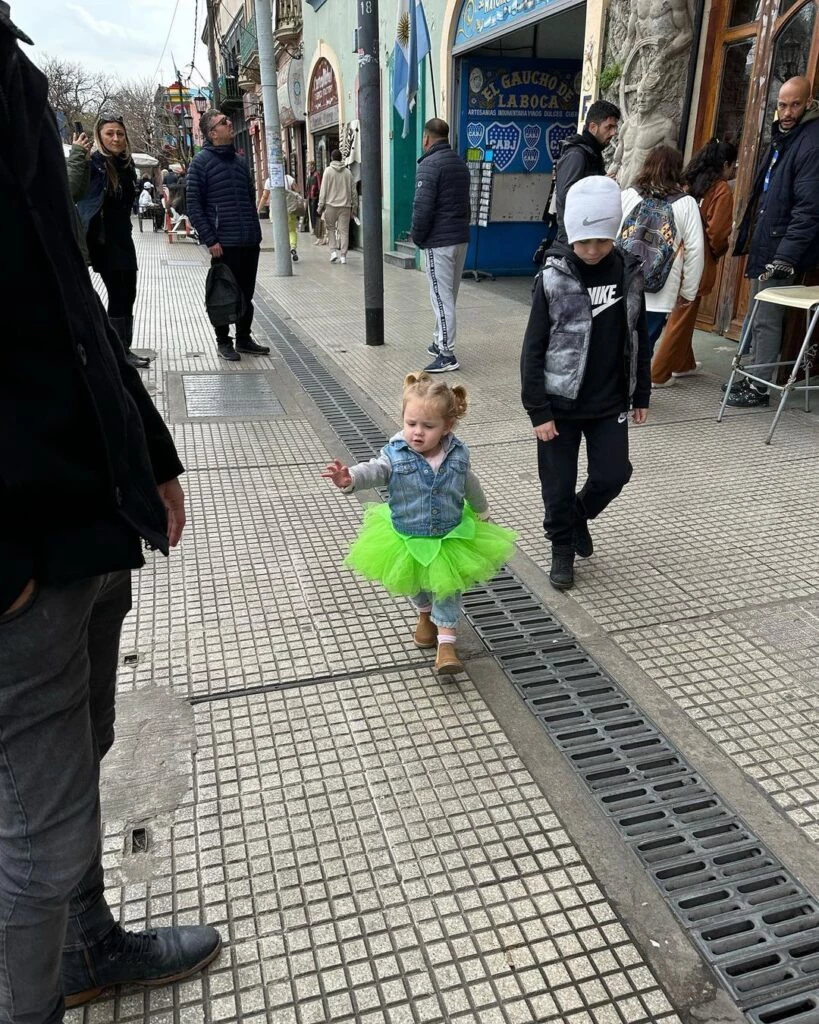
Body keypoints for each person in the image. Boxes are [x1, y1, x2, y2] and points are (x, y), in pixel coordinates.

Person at [0, 5, 222, 1019]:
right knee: (30, 839)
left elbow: (65, 297)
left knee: (79, 760)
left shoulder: (8, 70)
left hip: (87, 506)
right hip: (21, 541)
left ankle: (87, 943)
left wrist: (150, 449)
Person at [322, 373, 516, 675]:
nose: (417, 433)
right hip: (406, 535)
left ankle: (446, 646)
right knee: (413, 582)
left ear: (447, 427)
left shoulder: (458, 454)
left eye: (428, 426)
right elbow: (376, 469)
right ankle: (424, 614)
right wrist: (351, 479)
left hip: (448, 537)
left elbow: (469, 483)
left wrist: (482, 511)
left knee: (447, 588)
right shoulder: (395, 453)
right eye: (411, 423)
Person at [521, 176, 651, 592]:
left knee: (614, 474)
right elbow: (533, 347)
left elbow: (637, 335)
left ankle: (579, 516)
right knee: (556, 485)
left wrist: (641, 391)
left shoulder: (629, 271)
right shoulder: (554, 276)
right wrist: (537, 409)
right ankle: (562, 546)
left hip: (609, 399)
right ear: (571, 234)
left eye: (601, 239)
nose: (593, 249)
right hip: (558, 405)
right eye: (584, 241)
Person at [727, 76, 819, 408]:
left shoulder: (810, 141)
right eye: (782, 104)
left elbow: (809, 208)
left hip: (783, 249)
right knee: (757, 312)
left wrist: (785, 255)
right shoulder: (784, 137)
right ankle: (753, 373)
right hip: (769, 241)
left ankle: (759, 385)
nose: (787, 111)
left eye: (795, 104)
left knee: (767, 316)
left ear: (808, 103)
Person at [68, 112, 151, 370]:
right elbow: (72, 190)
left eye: (119, 133)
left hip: (123, 238)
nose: (115, 138)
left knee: (129, 294)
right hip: (103, 240)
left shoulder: (126, 165)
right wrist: (78, 155)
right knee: (119, 294)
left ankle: (123, 347)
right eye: (109, 134)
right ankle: (119, 352)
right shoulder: (94, 163)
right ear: (99, 137)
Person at [652, 139, 737, 386]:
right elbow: (718, 233)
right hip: (697, 258)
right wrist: (717, 251)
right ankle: (657, 373)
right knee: (683, 312)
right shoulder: (721, 190)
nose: (734, 171)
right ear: (725, 164)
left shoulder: (687, 183)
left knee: (683, 312)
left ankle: (683, 363)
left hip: (673, 253)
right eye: (733, 166)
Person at [186, 109, 269, 362]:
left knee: (246, 293)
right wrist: (211, 239)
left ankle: (244, 338)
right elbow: (193, 205)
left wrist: (256, 233)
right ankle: (224, 341)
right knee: (222, 294)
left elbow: (248, 199)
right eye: (224, 122)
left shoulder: (240, 162)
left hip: (248, 241)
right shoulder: (200, 163)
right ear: (212, 133)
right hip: (224, 244)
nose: (230, 123)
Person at [619, 144, 705, 352]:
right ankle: (637, 383)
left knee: (619, 342)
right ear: (677, 169)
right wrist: (688, 292)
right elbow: (695, 251)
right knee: (644, 349)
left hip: (625, 283)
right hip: (661, 289)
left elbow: (612, 237)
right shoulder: (686, 203)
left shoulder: (628, 195)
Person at [410, 118, 472, 374]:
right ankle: (438, 341)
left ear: (426, 138)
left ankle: (446, 353)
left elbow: (422, 208)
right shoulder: (459, 163)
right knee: (449, 295)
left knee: (441, 297)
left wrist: (418, 237)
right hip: (459, 238)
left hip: (440, 241)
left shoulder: (429, 165)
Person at [553, 100, 621, 243]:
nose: (613, 133)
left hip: (588, 233)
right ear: (593, 127)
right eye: (608, 127)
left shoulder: (593, 153)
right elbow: (566, 196)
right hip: (574, 238)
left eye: (615, 127)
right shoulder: (577, 154)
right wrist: (600, 184)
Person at [317, 149, 356, 264]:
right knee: (344, 231)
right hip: (345, 206)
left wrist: (320, 206)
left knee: (331, 229)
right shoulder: (348, 172)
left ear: (331, 158)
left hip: (331, 206)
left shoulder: (328, 171)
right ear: (341, 158)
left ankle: (333, 252)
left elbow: (323, 190)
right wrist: (355, 207)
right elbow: (353, 191)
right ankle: (343, 256)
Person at [258, 170, 301, 261]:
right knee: (291, 230)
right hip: (289, 208)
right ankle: (293, 247)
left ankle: (282, 252)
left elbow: (265, 196)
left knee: (279, 231)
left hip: (276, 210)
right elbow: (297, 190)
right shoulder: (288, 178)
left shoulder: (269, 181)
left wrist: (258, 209)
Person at [306, 161, 324, 244]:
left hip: (315, 198)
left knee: (316, 215)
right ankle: (314, 229)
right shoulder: (310, 175)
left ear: (313, 166)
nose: (308, 167)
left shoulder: (317, 174)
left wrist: (320, 196)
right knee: (312, 215)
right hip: (310, 197)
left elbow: (320, 186)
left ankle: (318, 233)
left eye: (309, 165)